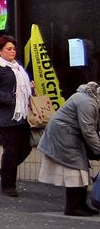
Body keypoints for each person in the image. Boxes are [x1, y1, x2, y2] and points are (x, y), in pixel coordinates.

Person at [37, 82, 100, 216]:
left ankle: (80, 205)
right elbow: (88, 130)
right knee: (76, 169)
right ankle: (73, 207)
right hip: (64, 135)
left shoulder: (87, 98)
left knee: (80, 169)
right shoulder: (87, 103)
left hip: (65, 133)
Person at [0, 35, 32, 197]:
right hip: (5, 116)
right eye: (9, 49)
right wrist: (9, 99)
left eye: (14, 49)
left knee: (25, 147)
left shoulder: (17, 67)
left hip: (21, 115)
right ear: (0, 51)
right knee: (10, 150)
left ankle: (5, 170)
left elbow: (21, 87)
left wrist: (28, 88)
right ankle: (8, 186)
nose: (13, 51)